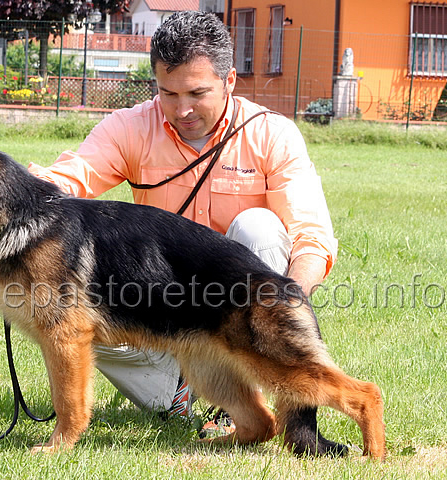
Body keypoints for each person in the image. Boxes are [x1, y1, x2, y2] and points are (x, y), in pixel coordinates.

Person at [28, 11, 337, 434]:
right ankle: (185, 394)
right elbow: (71, 175)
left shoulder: (272, 135)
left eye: (197, 92)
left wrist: (281, 316)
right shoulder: (130, 127)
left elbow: (311, 236)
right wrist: (17, 192)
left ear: (229, 82)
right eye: (167, 93)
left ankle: (243, 401)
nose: (182, 109)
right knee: (72, 318)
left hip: (239, 318)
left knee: (259, 228)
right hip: (160, 314)